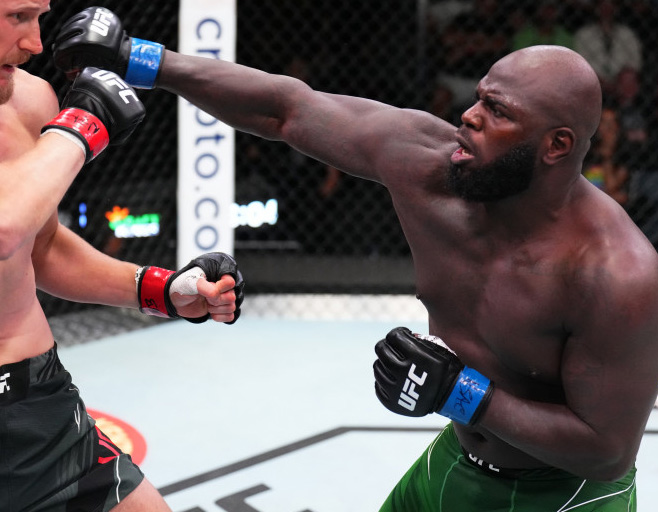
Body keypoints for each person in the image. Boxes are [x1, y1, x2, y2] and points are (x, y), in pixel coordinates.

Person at [53, 7, 658, 511]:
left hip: (566, 496)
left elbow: (607, 451)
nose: (470, 116)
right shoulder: (434, 169)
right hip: (456, 458)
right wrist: (138, 58)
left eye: (499, 112)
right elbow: (287, 109)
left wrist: (464, 395)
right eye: (479, 98)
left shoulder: (615, 274)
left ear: (556, 146)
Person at [0, 3, 244, 512]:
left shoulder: (27, 100)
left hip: (40, 398)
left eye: (39, 17)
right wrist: (80, 127)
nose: (35, 44)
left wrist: (166, 290)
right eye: (17, 17)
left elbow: (41, 247)